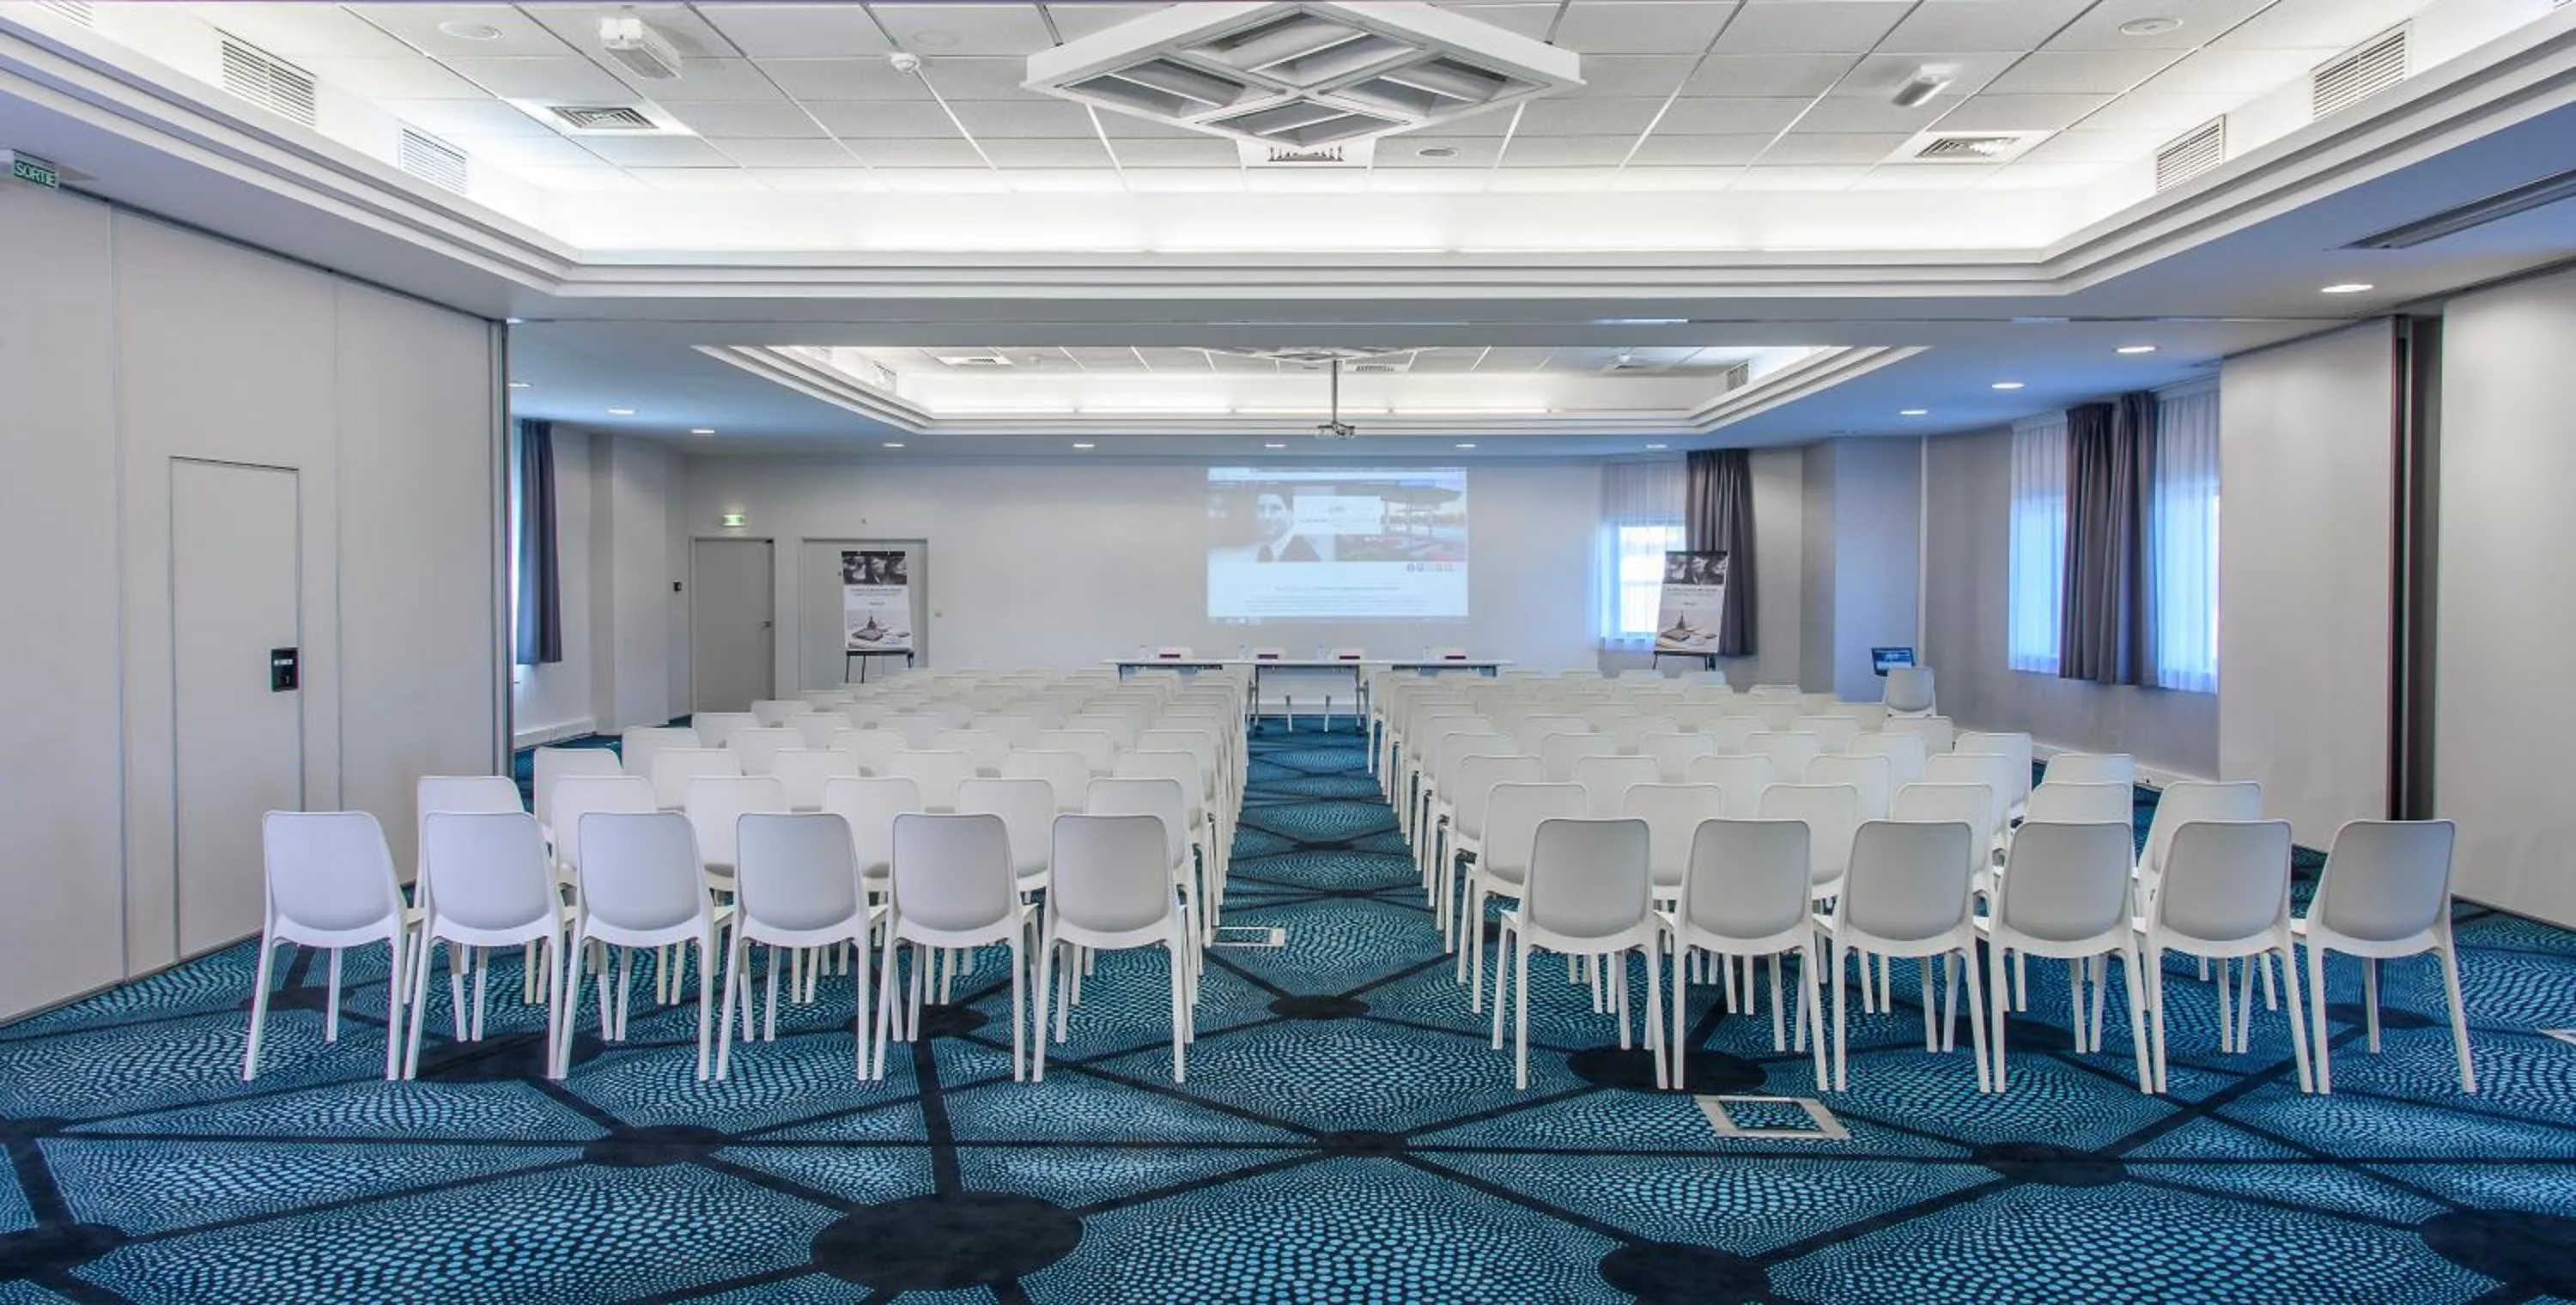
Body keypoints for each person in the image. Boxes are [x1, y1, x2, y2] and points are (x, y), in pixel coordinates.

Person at [1253, 491, 1321, 562]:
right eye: (1261, 509)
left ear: (1291, 513)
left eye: (1275, 509)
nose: (1267, 517)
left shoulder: (1307, 556)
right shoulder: (1265, 552)